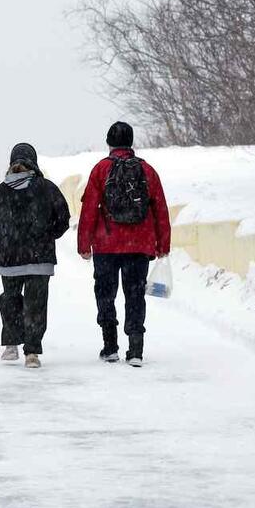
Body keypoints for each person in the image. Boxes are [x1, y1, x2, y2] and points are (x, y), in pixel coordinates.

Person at [77, 121, 171, 367]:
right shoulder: (147, 171)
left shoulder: (101, 169)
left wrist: (84, 244)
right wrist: (163, 244)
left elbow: (89, 209)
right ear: (131, 142)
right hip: (138, 245)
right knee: (135, 294)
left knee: (105, 294)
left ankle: (110, 347)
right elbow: (160, 209)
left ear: (109, 142)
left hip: (106, 245)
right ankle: (136, 349)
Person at [0, 143, 71, 369]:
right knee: (36, 305)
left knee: (10, 299)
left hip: (10, 259)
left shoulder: (2, 191)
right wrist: (49, 235)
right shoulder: (47, 188)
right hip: (40, 259)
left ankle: (11, 344)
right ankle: (32, 352)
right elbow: (64, 217)